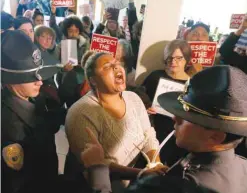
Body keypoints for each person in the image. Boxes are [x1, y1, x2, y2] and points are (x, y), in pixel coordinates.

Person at [81, 65, 247, 193]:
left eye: (188, 117)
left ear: (215, 137)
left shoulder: (172, 188)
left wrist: (97, 168)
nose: (175, 118)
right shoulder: (242, 167)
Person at [1, 30, 111, 193]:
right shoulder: (10, 128)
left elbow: (48, 118)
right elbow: (27, 184)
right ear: (10, 80)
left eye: (39, 73)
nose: (40, 81)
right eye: (31, 77)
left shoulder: (31, 97)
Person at [65, 52, 167, 191]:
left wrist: (156, 165)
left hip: (133, 185)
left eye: (117, 64)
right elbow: (95, 164)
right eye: (107, 67)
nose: (117, 68)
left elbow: (148, 137)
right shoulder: (80, 112)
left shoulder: (134, 99)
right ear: (93, 80)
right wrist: (141, 174)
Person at [143, 39, 191, 165]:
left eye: (178, 58)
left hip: (175, 135)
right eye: (169, 58)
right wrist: (146, 107)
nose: (173, 62)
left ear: (186, 59)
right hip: (152, 129)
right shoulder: (155, 76)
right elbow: (140, 95)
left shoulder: (192, 84)